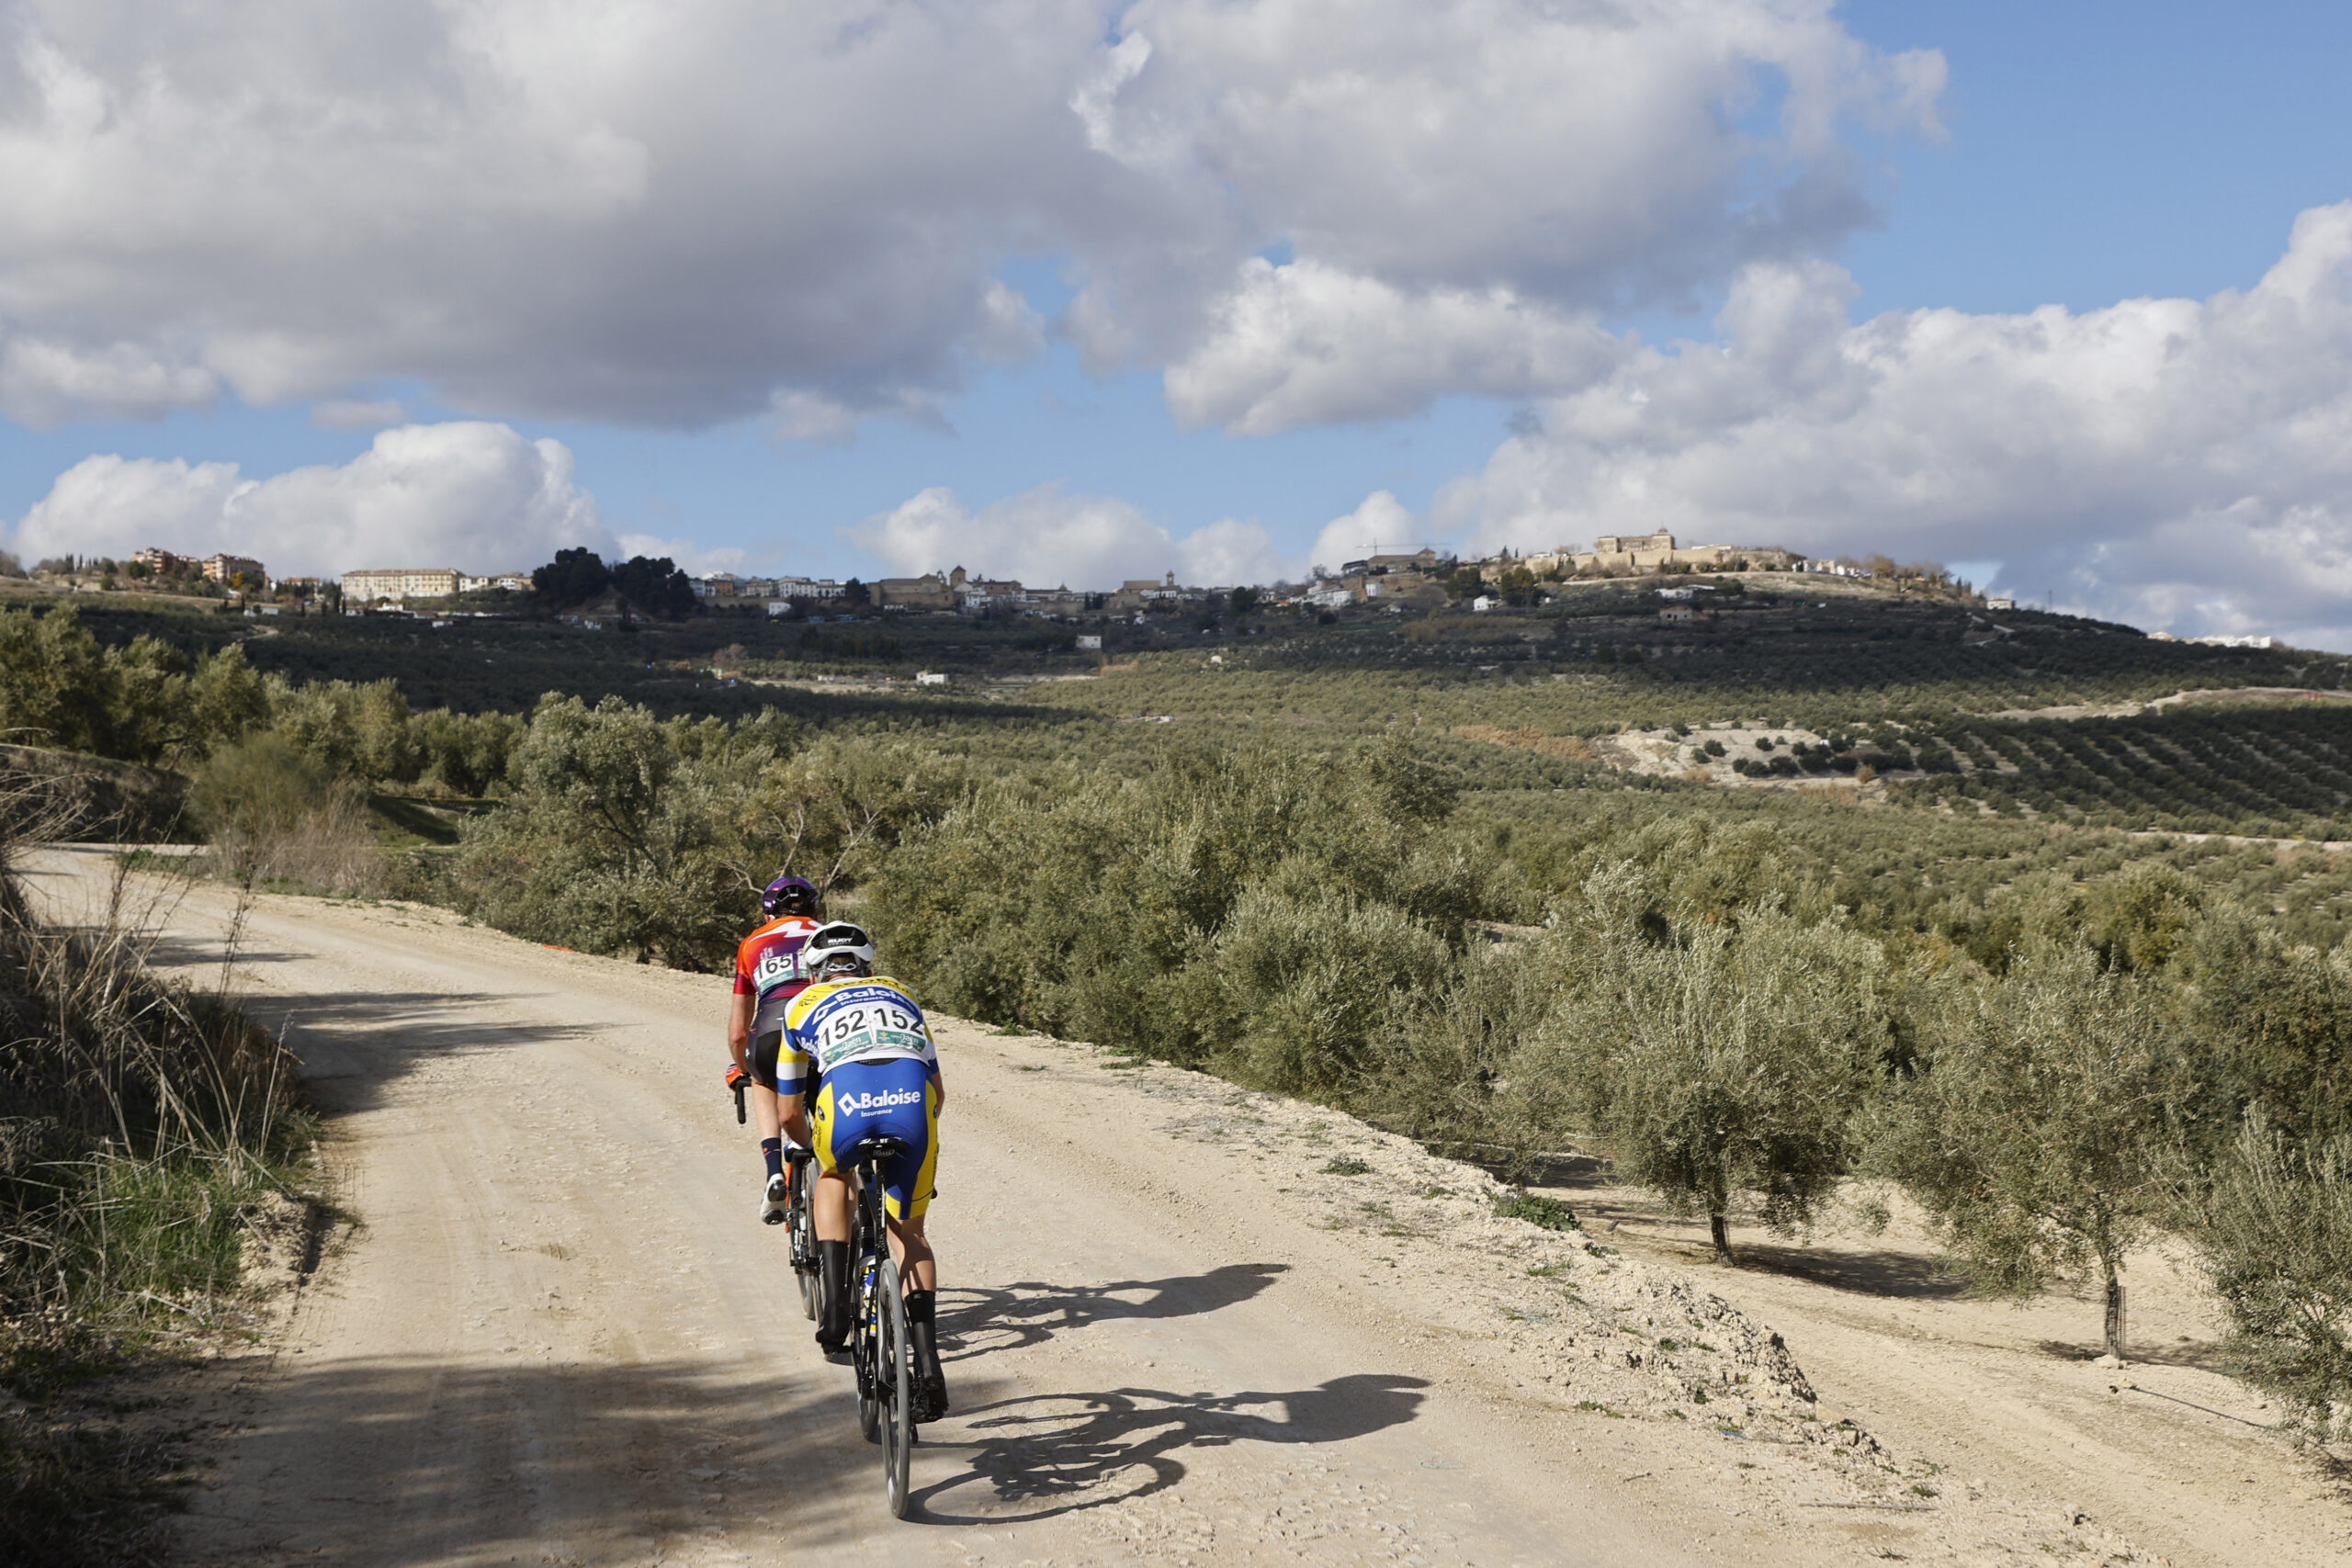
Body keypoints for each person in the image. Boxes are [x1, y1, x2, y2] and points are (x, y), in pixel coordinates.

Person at [780, 921, 949, 1420]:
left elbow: (789, 1113)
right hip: (912, 1104)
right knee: (910, 1235)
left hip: (846, 1105)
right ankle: (931, 1370)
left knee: (833, 1176)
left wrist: (818, 1150)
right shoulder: (903, 994)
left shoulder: (801, 1005)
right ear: (867, 966)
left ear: (814, 972)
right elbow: (938, 1091)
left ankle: (835, 1313)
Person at [725, 874, 823, 1223]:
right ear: (814, 907)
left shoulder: (751, 944)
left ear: (769, 914)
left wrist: (743, 1068)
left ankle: (774, 1172)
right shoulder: (828, 934)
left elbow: (738, 1033)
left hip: (769, 1035)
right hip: (820, 1035)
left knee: (762, 1080)